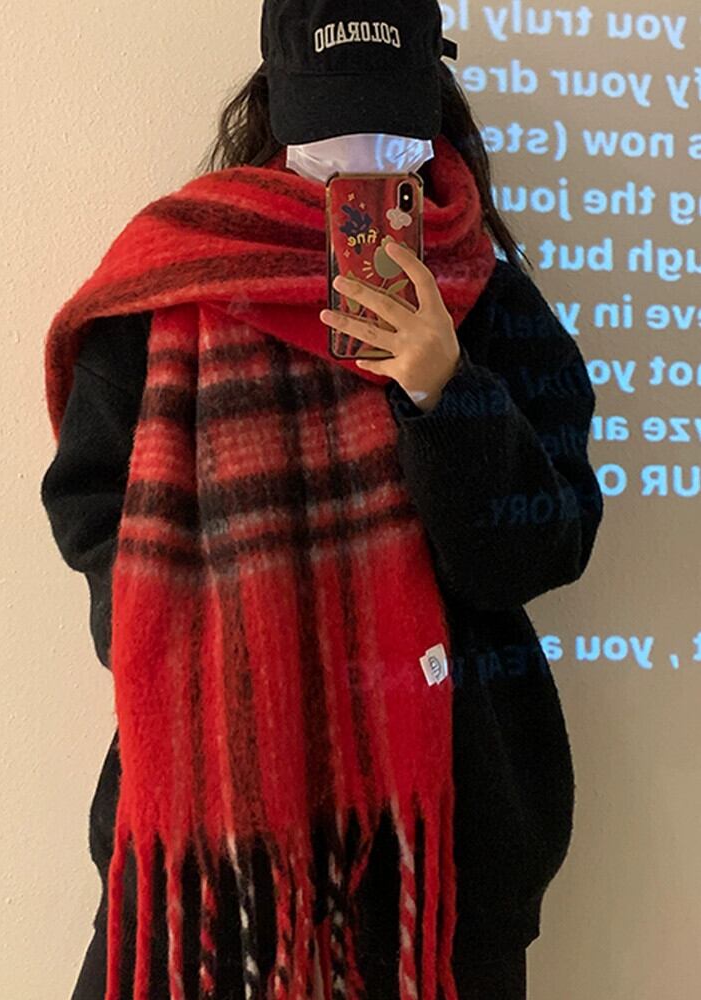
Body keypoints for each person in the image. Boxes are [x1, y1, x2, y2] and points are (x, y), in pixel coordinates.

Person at [40, 2, 604, 998]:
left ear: (432, 103)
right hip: (211, 841)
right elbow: (94, 509)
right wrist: (203, 646)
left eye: (389, 123)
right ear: (275, 107)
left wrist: (445, 389)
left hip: (440, 851)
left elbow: (539, 549)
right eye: (335, 123)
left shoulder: (488, 298)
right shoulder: (177, 274)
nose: (363, 156)